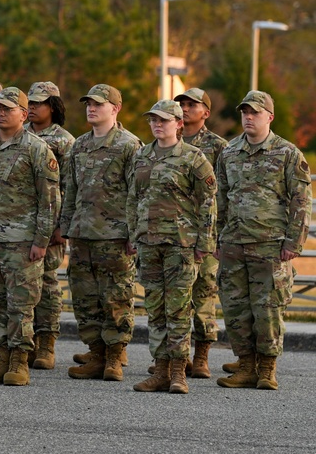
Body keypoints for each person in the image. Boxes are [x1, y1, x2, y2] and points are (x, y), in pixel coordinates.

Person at [214, 90, 311, 390]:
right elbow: (219, 200)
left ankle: (267, 368)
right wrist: (216, 238)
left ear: (269, 116)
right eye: (244, 112)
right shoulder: (229, 153)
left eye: (254, 112)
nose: (248, 117)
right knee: (234, 308)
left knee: (267, 308)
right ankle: (245, 366)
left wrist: (293, 242)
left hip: (270, 245)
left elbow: (301, 201)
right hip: (233, 244)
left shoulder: (287, 153)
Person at [0, 86, 59, 386]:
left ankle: (19, 361)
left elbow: (48, 200)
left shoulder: (36, 149)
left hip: (22, 241)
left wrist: (41, 241)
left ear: (22, 113)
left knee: (20, 303)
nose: (1, 113)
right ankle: (2, 358)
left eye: (7, 108)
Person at [127, 100, 217, 394]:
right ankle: (161, 369)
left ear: (179, 124)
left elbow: (208, 202)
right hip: (149, 244)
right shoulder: (142, 155)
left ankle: (179, 371)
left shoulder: (193, 158)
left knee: (178, 309)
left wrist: (204, 242)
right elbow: (133, 199)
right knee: (155, 308)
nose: (157, 125)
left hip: (181, 245)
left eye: (163, 120)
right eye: (153, 120)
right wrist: (134, 234)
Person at [62, 84, 141, 382]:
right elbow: (71, 190)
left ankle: (114, 357)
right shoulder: (79, 145)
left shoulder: (129, 145)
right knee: (85, 297)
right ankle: (95, 352)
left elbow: (137, 192)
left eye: (98, 104)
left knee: (116, 297)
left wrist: (134, 231)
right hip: (82, 234)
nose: (91, 108)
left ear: (115, 108)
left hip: (114, 235)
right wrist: (66, 225)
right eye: (88, 104)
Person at [174, 87, 227, 378]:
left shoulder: (218, 146)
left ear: (205, 112)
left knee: (204, 292)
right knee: (174, 297)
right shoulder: (167, 139)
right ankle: (175, 357)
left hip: (204, 231)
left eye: (191, 104)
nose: (184, 108)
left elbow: (223, 192)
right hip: (173, 231)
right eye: (181, 103)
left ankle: (202, 355)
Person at [24, 81, 74, 370]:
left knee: (46, 283)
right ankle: (25, 342)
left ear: (53, 106)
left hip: (49, 224)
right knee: (22, 286)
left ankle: (46, 343)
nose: (32, 108)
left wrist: (60, 226)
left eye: (38, 103)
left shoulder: (64, 141)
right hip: (19, 223)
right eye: (29, 103)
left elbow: (69, 187)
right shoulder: (19, 135)